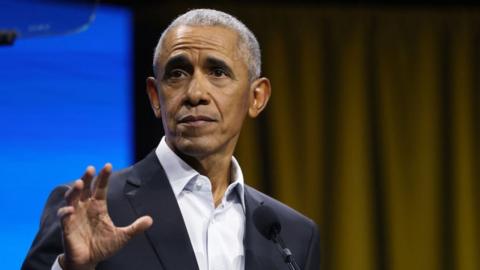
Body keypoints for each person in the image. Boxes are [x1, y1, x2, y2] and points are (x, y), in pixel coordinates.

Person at [22, 9, 320, 270]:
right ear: (155, 97)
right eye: (177, 73)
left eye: (217, 72)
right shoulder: (88, 211)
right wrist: (73, 268)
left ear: (257, 97)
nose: (195, 93)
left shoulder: (292, 235)